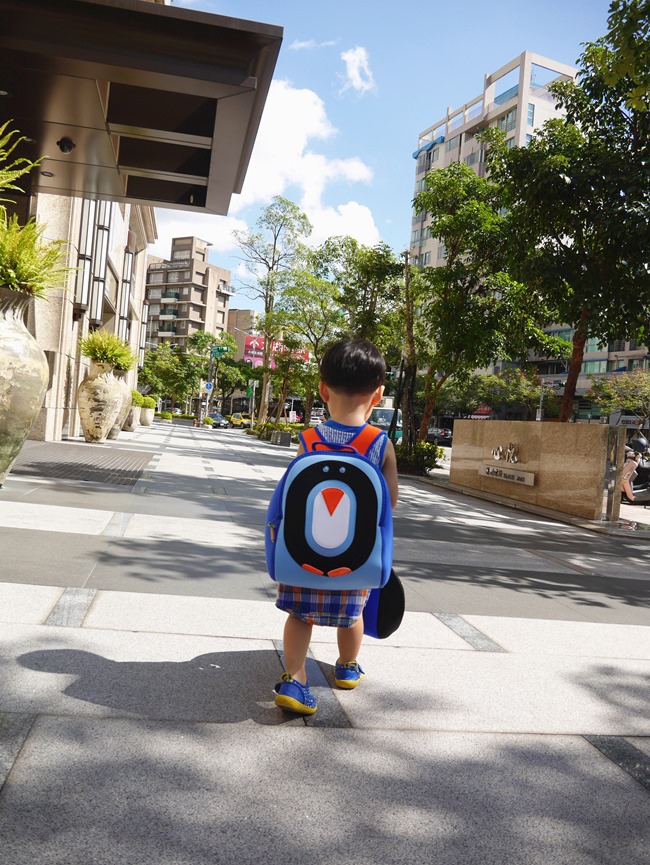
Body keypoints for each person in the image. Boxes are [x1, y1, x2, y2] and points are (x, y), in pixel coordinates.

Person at [273, 339, 399, 715]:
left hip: (303, 555)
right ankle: (346, 667)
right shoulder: (380, 443)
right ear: (377, 395)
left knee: (299, 616)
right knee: (354, 614)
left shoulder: (308, 440)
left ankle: (295, 679)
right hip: (354, 559)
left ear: (322, 389)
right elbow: (388, 503)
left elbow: (291, 499)